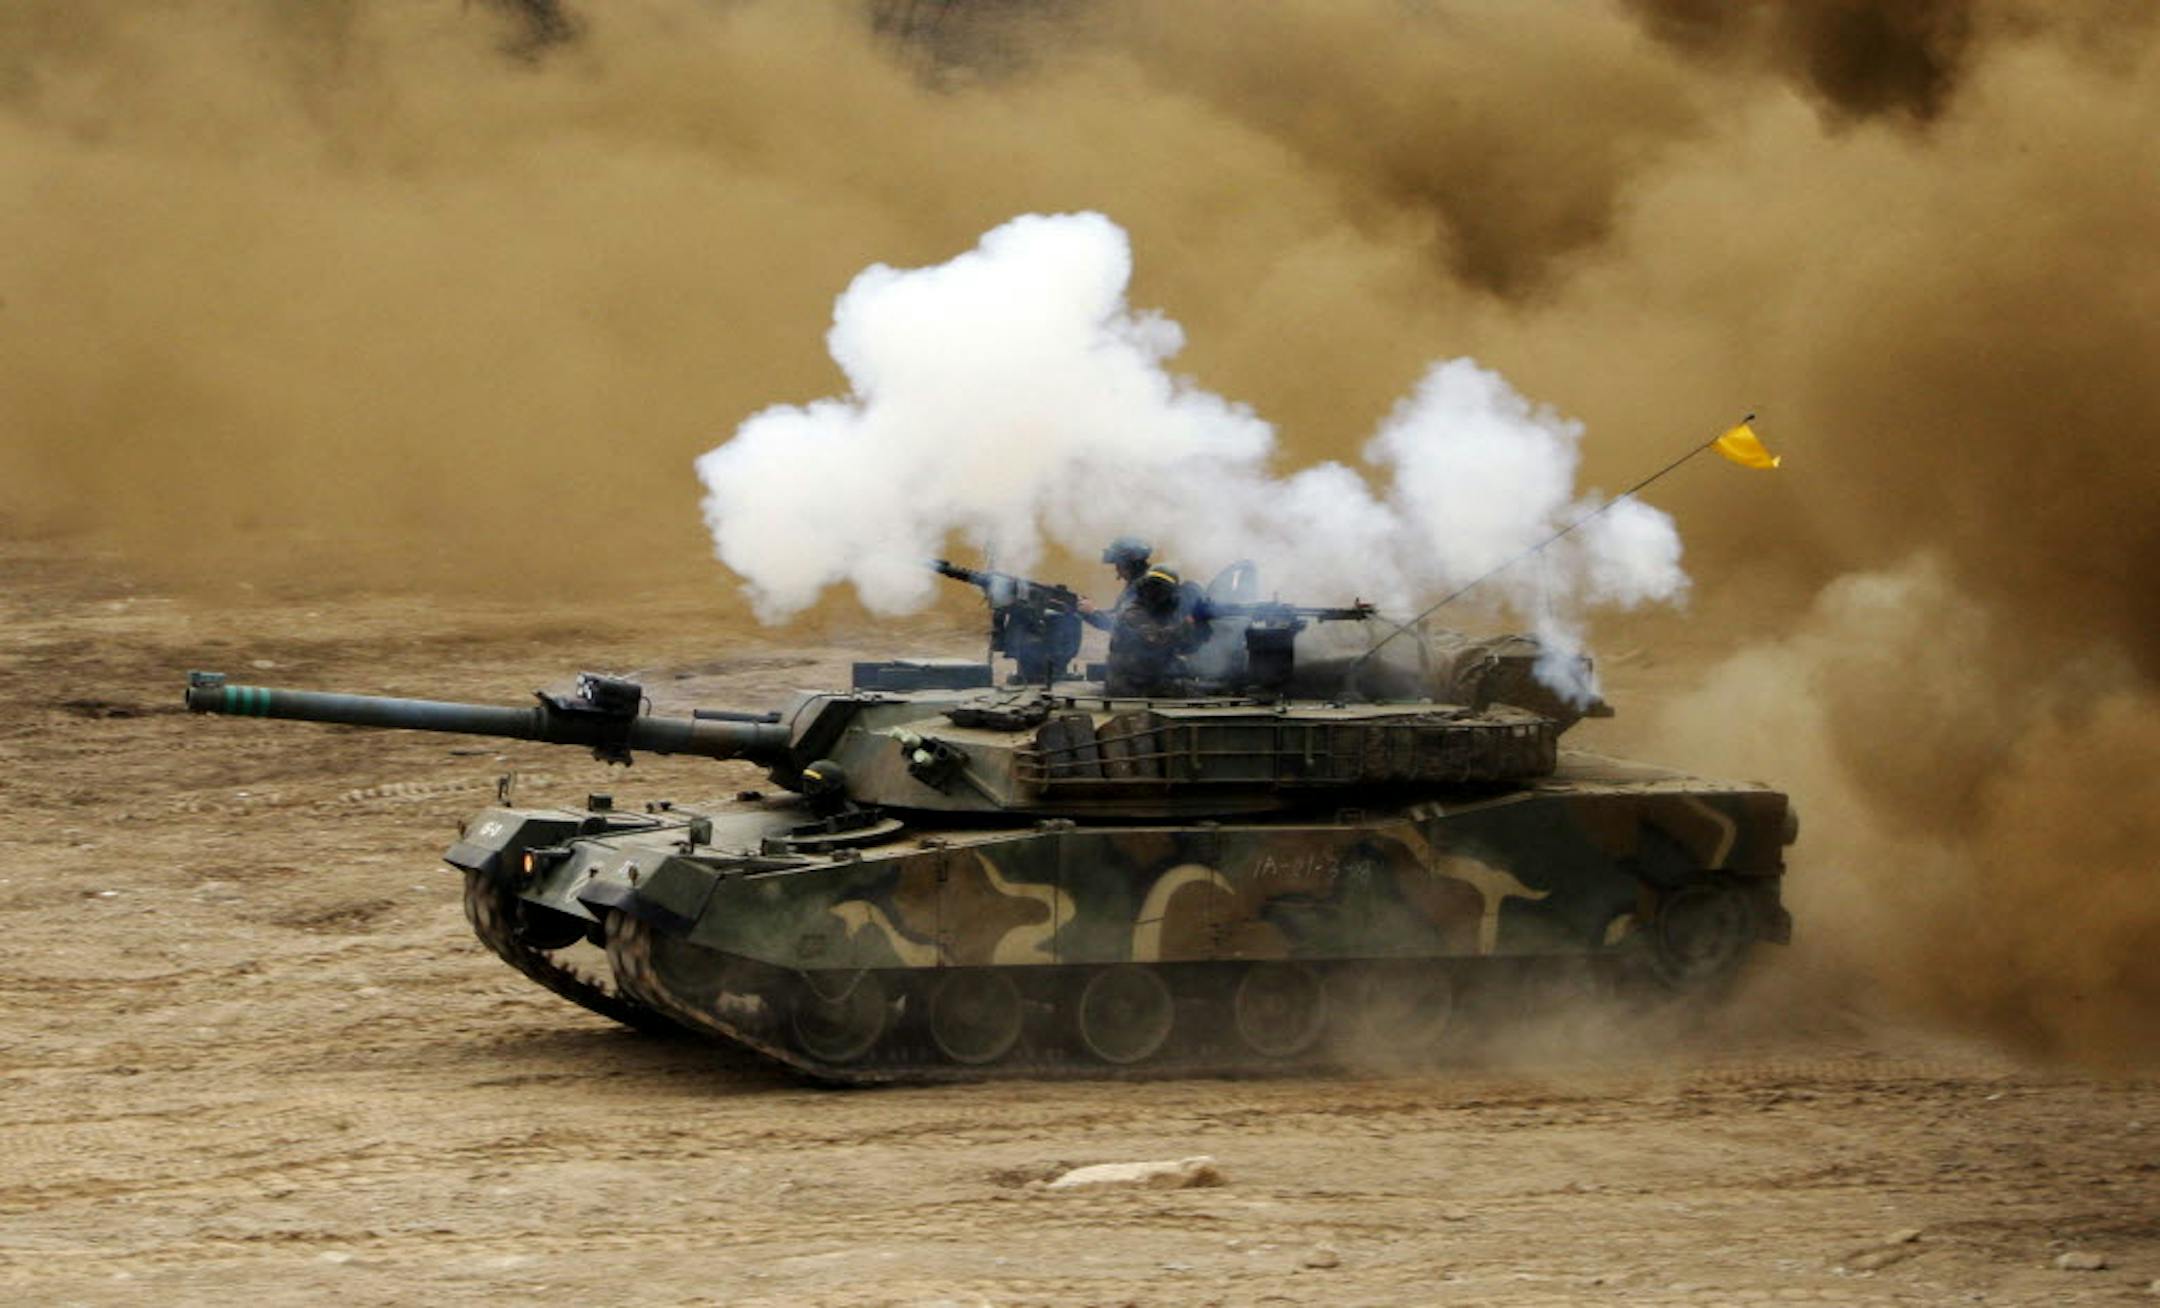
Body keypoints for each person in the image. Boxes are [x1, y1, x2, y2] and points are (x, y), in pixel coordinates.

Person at [1105, 565, 1211, 696]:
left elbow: (1181, 648)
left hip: (1148, 678)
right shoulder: (1133, 612)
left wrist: (1200, 630)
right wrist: (1188, 624)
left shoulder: (1159, 614)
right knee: (1195, 695)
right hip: (1131, 684)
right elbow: (1156, 638)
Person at [1079, 536, 1152, 632]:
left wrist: (1093, 612)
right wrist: (1087, 611)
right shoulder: (1139, 585)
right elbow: (1118, 614)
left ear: (1130, 565)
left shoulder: (1147, 589)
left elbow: (1121, 625)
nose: (1117, 570)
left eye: (1119, 565)